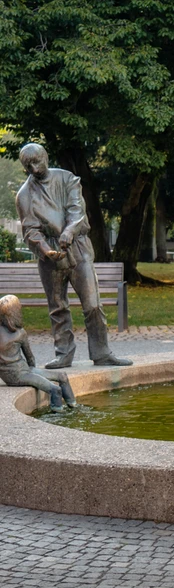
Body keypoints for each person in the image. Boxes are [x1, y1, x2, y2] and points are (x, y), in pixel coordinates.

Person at [15, 143, 131, 369]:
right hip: (49, 254)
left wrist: (69, 231)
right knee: (58, 308)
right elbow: (30, 230)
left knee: (93, 304)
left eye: (37, 162)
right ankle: (64, 354)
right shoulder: (24, 195)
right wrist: (45, 250)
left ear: (46, 156)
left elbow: (76, 210)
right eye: (28, 166)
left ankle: (101, 352)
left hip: (78, 247)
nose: (34, 168)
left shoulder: (67, 179)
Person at [0, 295, 77, 412]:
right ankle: (60, 415)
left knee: (62, 376)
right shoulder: (20, 333)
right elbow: (30, 358)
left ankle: (73, 406)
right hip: (18, 375)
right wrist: (33, 373)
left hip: (22, 371)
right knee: (55, 390)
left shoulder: (18, 332)